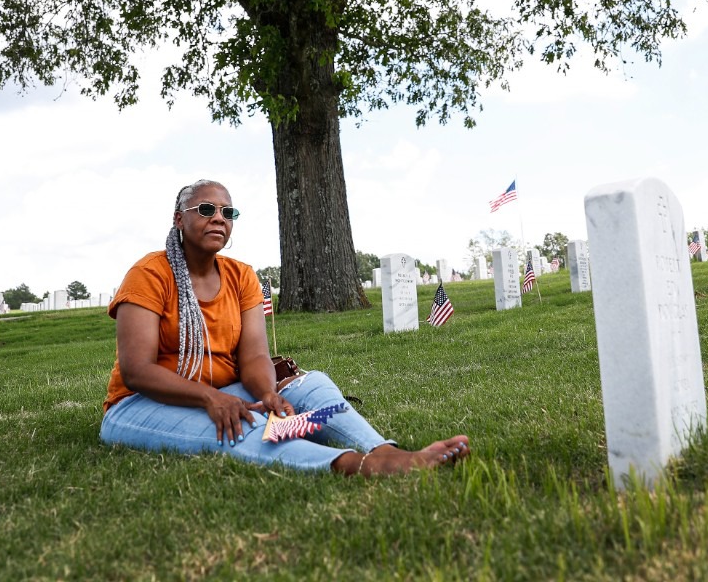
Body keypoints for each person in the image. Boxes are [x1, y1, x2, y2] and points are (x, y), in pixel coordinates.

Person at [99, 179, 470, 476]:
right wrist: (212, 398)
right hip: (139, 404)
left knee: (314, 383)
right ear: (179, 219)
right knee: (237, 426)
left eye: (228, 212)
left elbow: (256, 354)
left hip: (226, 388)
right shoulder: (149, 273)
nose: (219, 218)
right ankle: (356, 464)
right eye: (206, 210)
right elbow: (137, 370)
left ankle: (384, 450)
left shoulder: (240, 275)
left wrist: (268, 394)